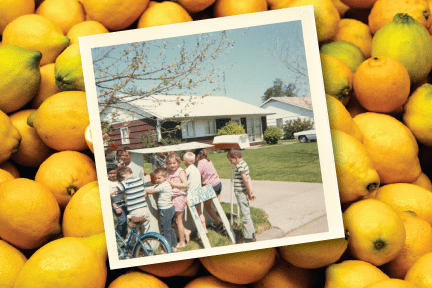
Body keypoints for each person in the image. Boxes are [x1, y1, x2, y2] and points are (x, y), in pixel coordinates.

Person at [111, 166, 152, 244]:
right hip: (145, 211)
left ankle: (131, 248)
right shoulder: (139, 180)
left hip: (134, 212)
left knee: (131, 231)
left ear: (123, 177)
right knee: (145, 233)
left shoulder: (125, 183)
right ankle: (145, 249)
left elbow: (114, 190)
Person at [227, 148, 256, 243]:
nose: (231, 163)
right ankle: (251, 235)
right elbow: (249, 178)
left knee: (245, 215)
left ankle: (247, 238)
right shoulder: (244, 163)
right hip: (244, 192)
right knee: (247, 212)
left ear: (235, 157)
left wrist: (249, 192)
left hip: (241, 193)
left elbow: (245, 180)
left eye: (231, 160)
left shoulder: (239, 166)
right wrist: (250, 192)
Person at [145, 168, 177, 252]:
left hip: (165, 210)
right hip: (170, 208)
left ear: (165, 177)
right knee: (170, 228)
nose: (157, 180)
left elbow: (153, 190)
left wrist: (145, 190)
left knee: (165, 230)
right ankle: (174, 246)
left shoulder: (162, 186)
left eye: (159, 178)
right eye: (155, 178)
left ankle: (167, 248)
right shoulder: (166, 184)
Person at [195, 148, 224, 233]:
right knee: (217, 205)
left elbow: (197, 175)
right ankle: (223, 220)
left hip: (211, 187)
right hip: (218, 183)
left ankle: (219, 223)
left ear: (198, 155)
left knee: (207, 206)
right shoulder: (208, 160)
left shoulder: (200, 163)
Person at [165, 153, 191, 248]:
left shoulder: (180, 171)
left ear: (178, 162)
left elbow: (185, 184)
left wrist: (173, 184)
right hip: (171, 198)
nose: (172, 165)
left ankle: (182, 242)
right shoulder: (167, 171)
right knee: (174, 220)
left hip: (179, 198)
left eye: (174, 163)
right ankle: (186, 231)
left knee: (178, 220)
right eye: (170, 163)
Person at [179, 152, 206, 233]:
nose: (183, 162)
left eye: (184, 160)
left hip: (192, 194)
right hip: (199, 192)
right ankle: (204, 228)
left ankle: (200, 232)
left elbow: (183, 179)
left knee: (195, 214)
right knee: (200, 212)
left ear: (186, 161)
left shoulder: (187, 170)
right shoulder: (196, 169)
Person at [108, 165, 127, 239]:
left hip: (123, 202)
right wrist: (115, 206)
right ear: (108, 174)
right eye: (110, 173)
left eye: (114, 173)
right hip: (115, 203)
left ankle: (124, 235)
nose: (112, 175)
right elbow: (108, 196)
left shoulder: (119, 181)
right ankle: (117, 236)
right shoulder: (107, 183)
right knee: (122, 220)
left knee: (126, 220)